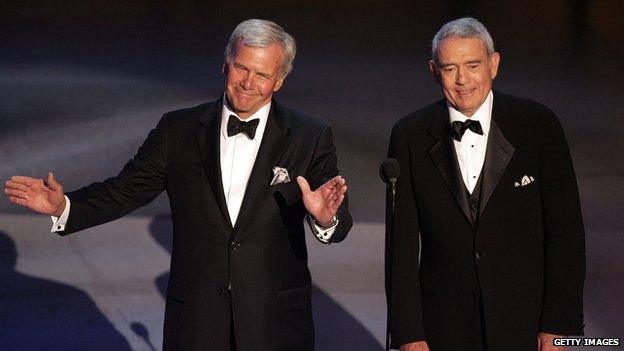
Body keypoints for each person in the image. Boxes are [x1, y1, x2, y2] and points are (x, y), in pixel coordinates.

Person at [4, 19, 352, 351]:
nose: (248, 82)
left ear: (279, 81)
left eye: (262, 74)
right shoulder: (178, 131)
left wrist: (324, 219)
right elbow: (126, 189)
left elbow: (337, 222)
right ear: (225, 63)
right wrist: (64, 207)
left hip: (274, 324)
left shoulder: (309, 136)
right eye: (241, 67)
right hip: (198, 322)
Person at [386, 17, 584, 351]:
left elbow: (565, 233)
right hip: (444, 326)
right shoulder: (409, 135)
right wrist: (408, 334)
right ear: (434, 71)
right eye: (450, 68)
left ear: (494, 65)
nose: (462, 80)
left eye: (473, 65)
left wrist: (560, 324)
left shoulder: (538, 125)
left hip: (526, 323)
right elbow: (401, 246)